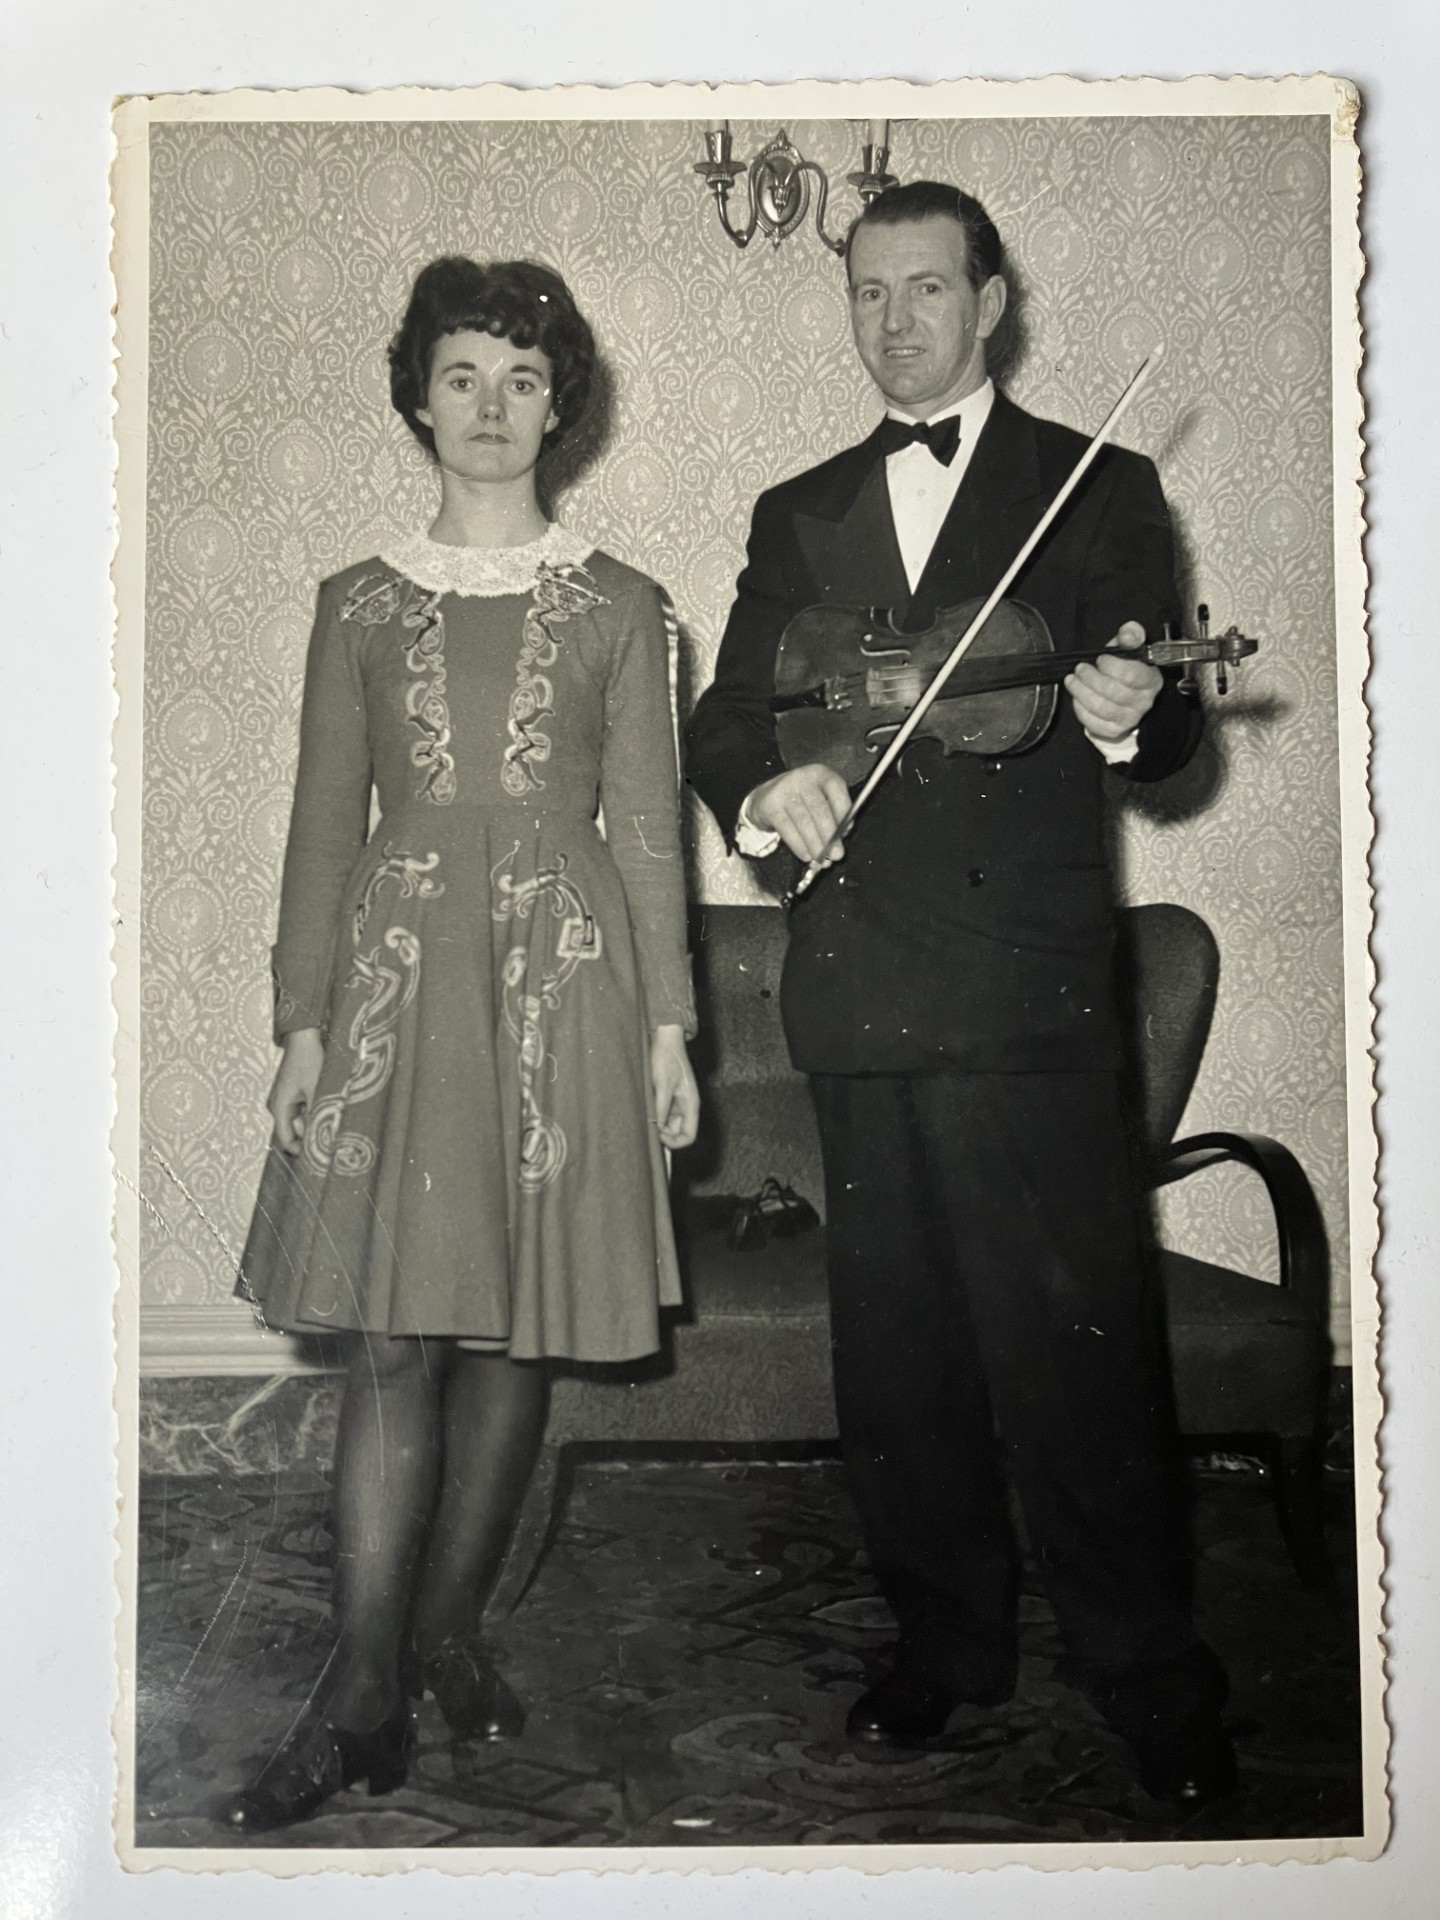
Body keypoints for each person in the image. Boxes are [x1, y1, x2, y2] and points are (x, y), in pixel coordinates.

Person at [684, 181, 1235, 1803]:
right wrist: (766, 792)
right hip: (862, 977)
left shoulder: (1099, 483)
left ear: (991, 302)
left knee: (1082, 1353)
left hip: (1027, 990)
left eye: (929, 289)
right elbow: (730, 717)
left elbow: (1175, 740)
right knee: (902, 1352)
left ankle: (1151, 1669)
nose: (896, 321)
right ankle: (944, 1646)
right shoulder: (801, 510)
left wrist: (1132, 707)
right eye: (869, 292)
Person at [226, 256, 699, 1830]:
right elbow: (316, 829)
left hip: (566, 986)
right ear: (417, 397)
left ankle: (441, 1638)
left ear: (561, 405)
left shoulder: (628, 608)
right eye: (462, 376)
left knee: (516, 1335)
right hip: (397, 987)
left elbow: (645, 843)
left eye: (521, 378)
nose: (491, 408)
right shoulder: (353, 603)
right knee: (389, 1337)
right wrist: (299, 1022)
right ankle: (356, 1691)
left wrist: (671, 1035)